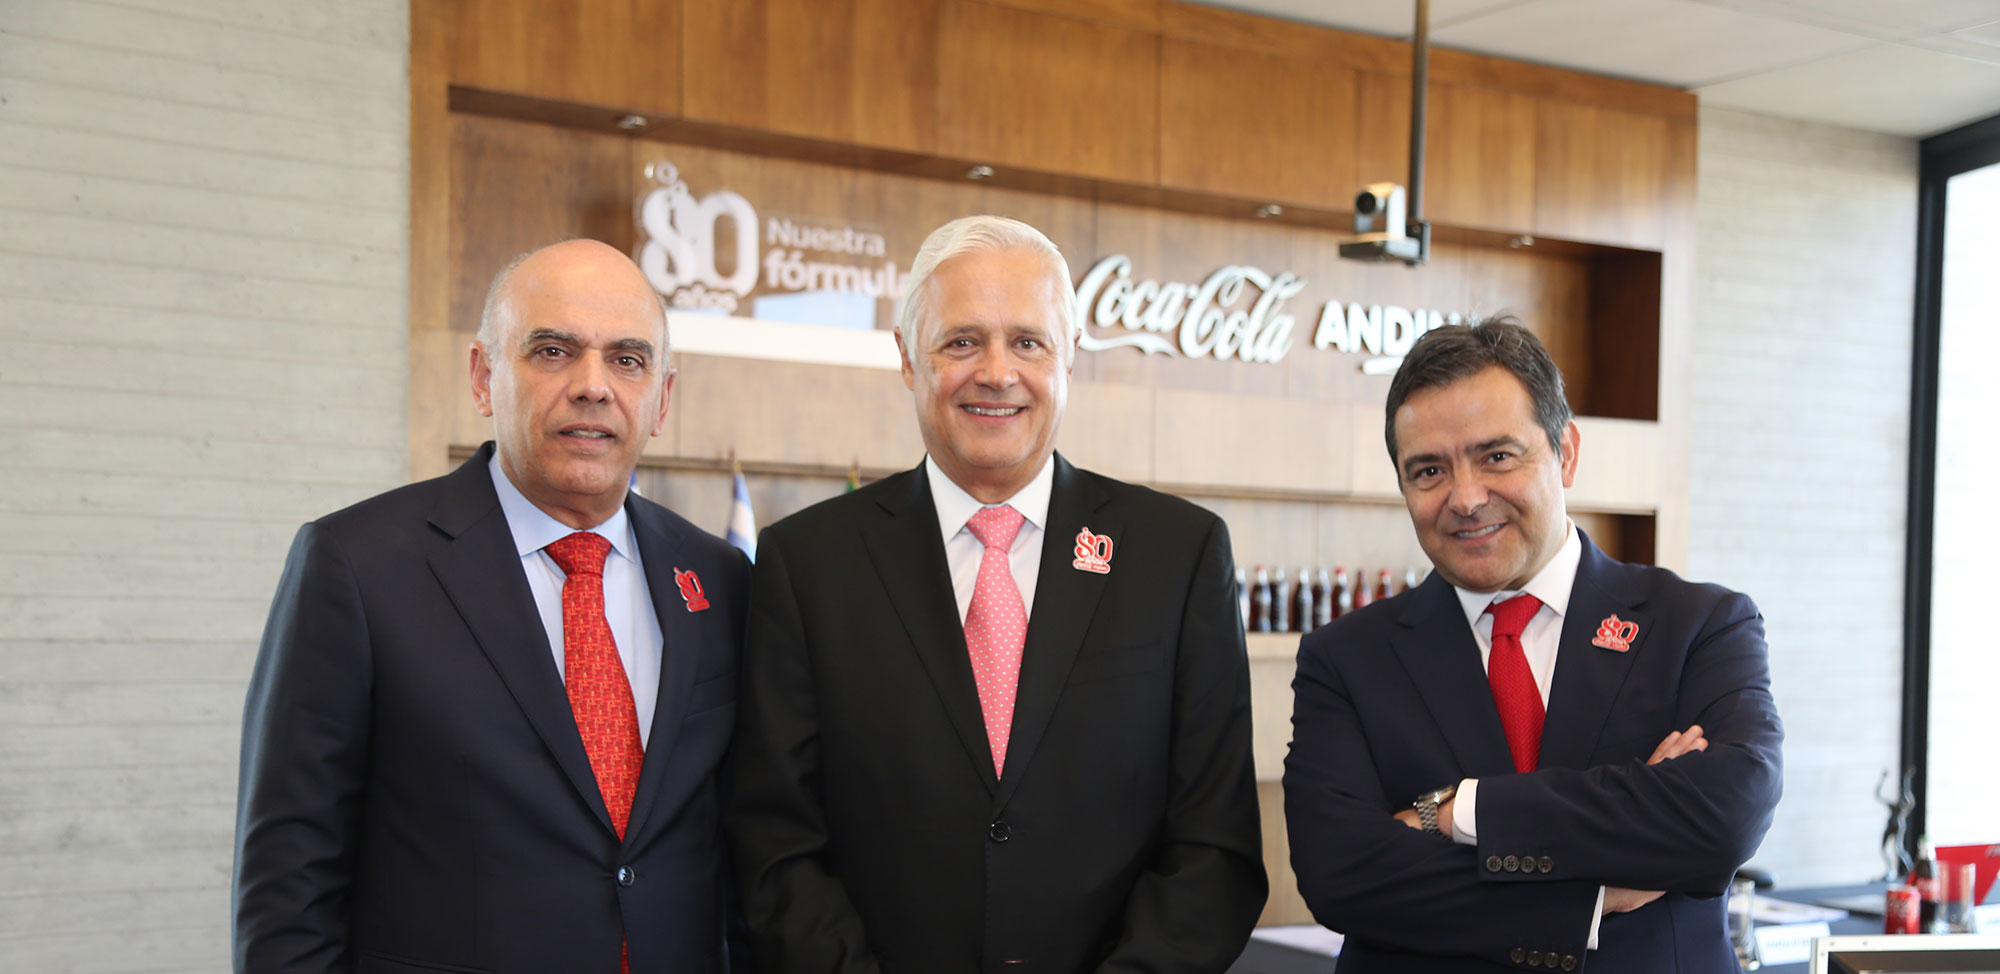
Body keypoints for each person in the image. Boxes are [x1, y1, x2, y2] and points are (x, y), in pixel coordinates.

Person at [727, 215, 1267, 973]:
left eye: (1028, 342)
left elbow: (1214, 846)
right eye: (961, 341)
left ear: (1069, 355)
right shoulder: (804, 564)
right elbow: (775, 843)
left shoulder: (1178, 556)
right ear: (907, 358)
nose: (996, 372)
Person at [233, 239, 751, 973]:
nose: (594, 386)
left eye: (627, 359)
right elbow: (289, 887)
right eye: (553, 351)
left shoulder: (718, 578)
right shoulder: (356, 565)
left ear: (661, 400)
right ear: (483, 377)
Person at [1283, 318, 1783, 973]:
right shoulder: (1346, 659)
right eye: (1429, 470)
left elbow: (1724, 814)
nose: (1466, 498)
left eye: (1497, 456)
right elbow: (1341, 874)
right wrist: (1591, 897)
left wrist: (1456, 813)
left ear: (1566, 452)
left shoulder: (1700, 625)